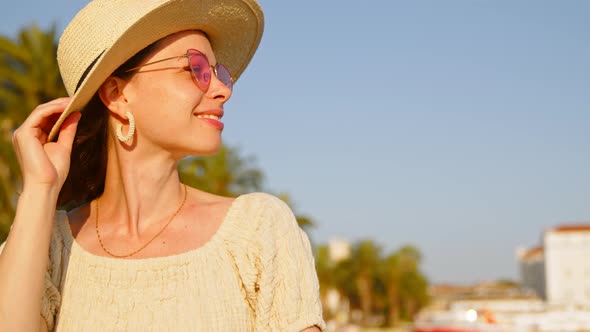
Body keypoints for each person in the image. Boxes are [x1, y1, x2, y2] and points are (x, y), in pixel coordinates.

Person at [0, 0, 325, 331]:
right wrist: (40, 189)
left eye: (218, 73)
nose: (222, 90)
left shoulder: (257, 231)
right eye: (194, 69)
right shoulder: (47, 246)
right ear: (117, 94)